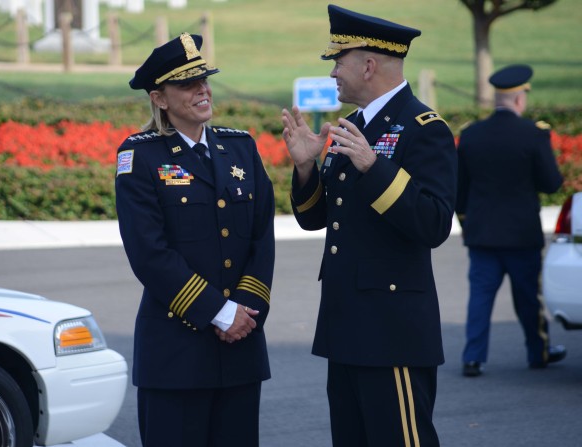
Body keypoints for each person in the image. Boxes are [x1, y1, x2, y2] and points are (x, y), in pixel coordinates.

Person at [281, 5, 457, 447]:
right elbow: (316, 219)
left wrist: (374, 166)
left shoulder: (424, 128)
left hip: (391, 329)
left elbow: (434, 223)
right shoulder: (355, 126)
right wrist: (305, 168)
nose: (334, 73)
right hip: (347, 323)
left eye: (339, 62)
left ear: (369, 64)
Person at [115, 33, 275, 447]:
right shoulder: (140, 157)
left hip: (240, 350)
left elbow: (261, 239)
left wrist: (245, 313)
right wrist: (220, 313)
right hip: (176, 354)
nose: (202, 89)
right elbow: (149, 254)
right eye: (187, 83)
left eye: (204, 79)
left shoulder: (241, 148)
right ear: (160, 98)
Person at [456, 64, 565, 377]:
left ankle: (473, 358)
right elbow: (551, 183)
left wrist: (468, 224)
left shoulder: (471, 135)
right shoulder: (533, 134)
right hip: (521, 235)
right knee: (529, 297)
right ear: (520, 100)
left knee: (480, 298)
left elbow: (459, 190)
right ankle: (538, 352)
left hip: (482, 234)